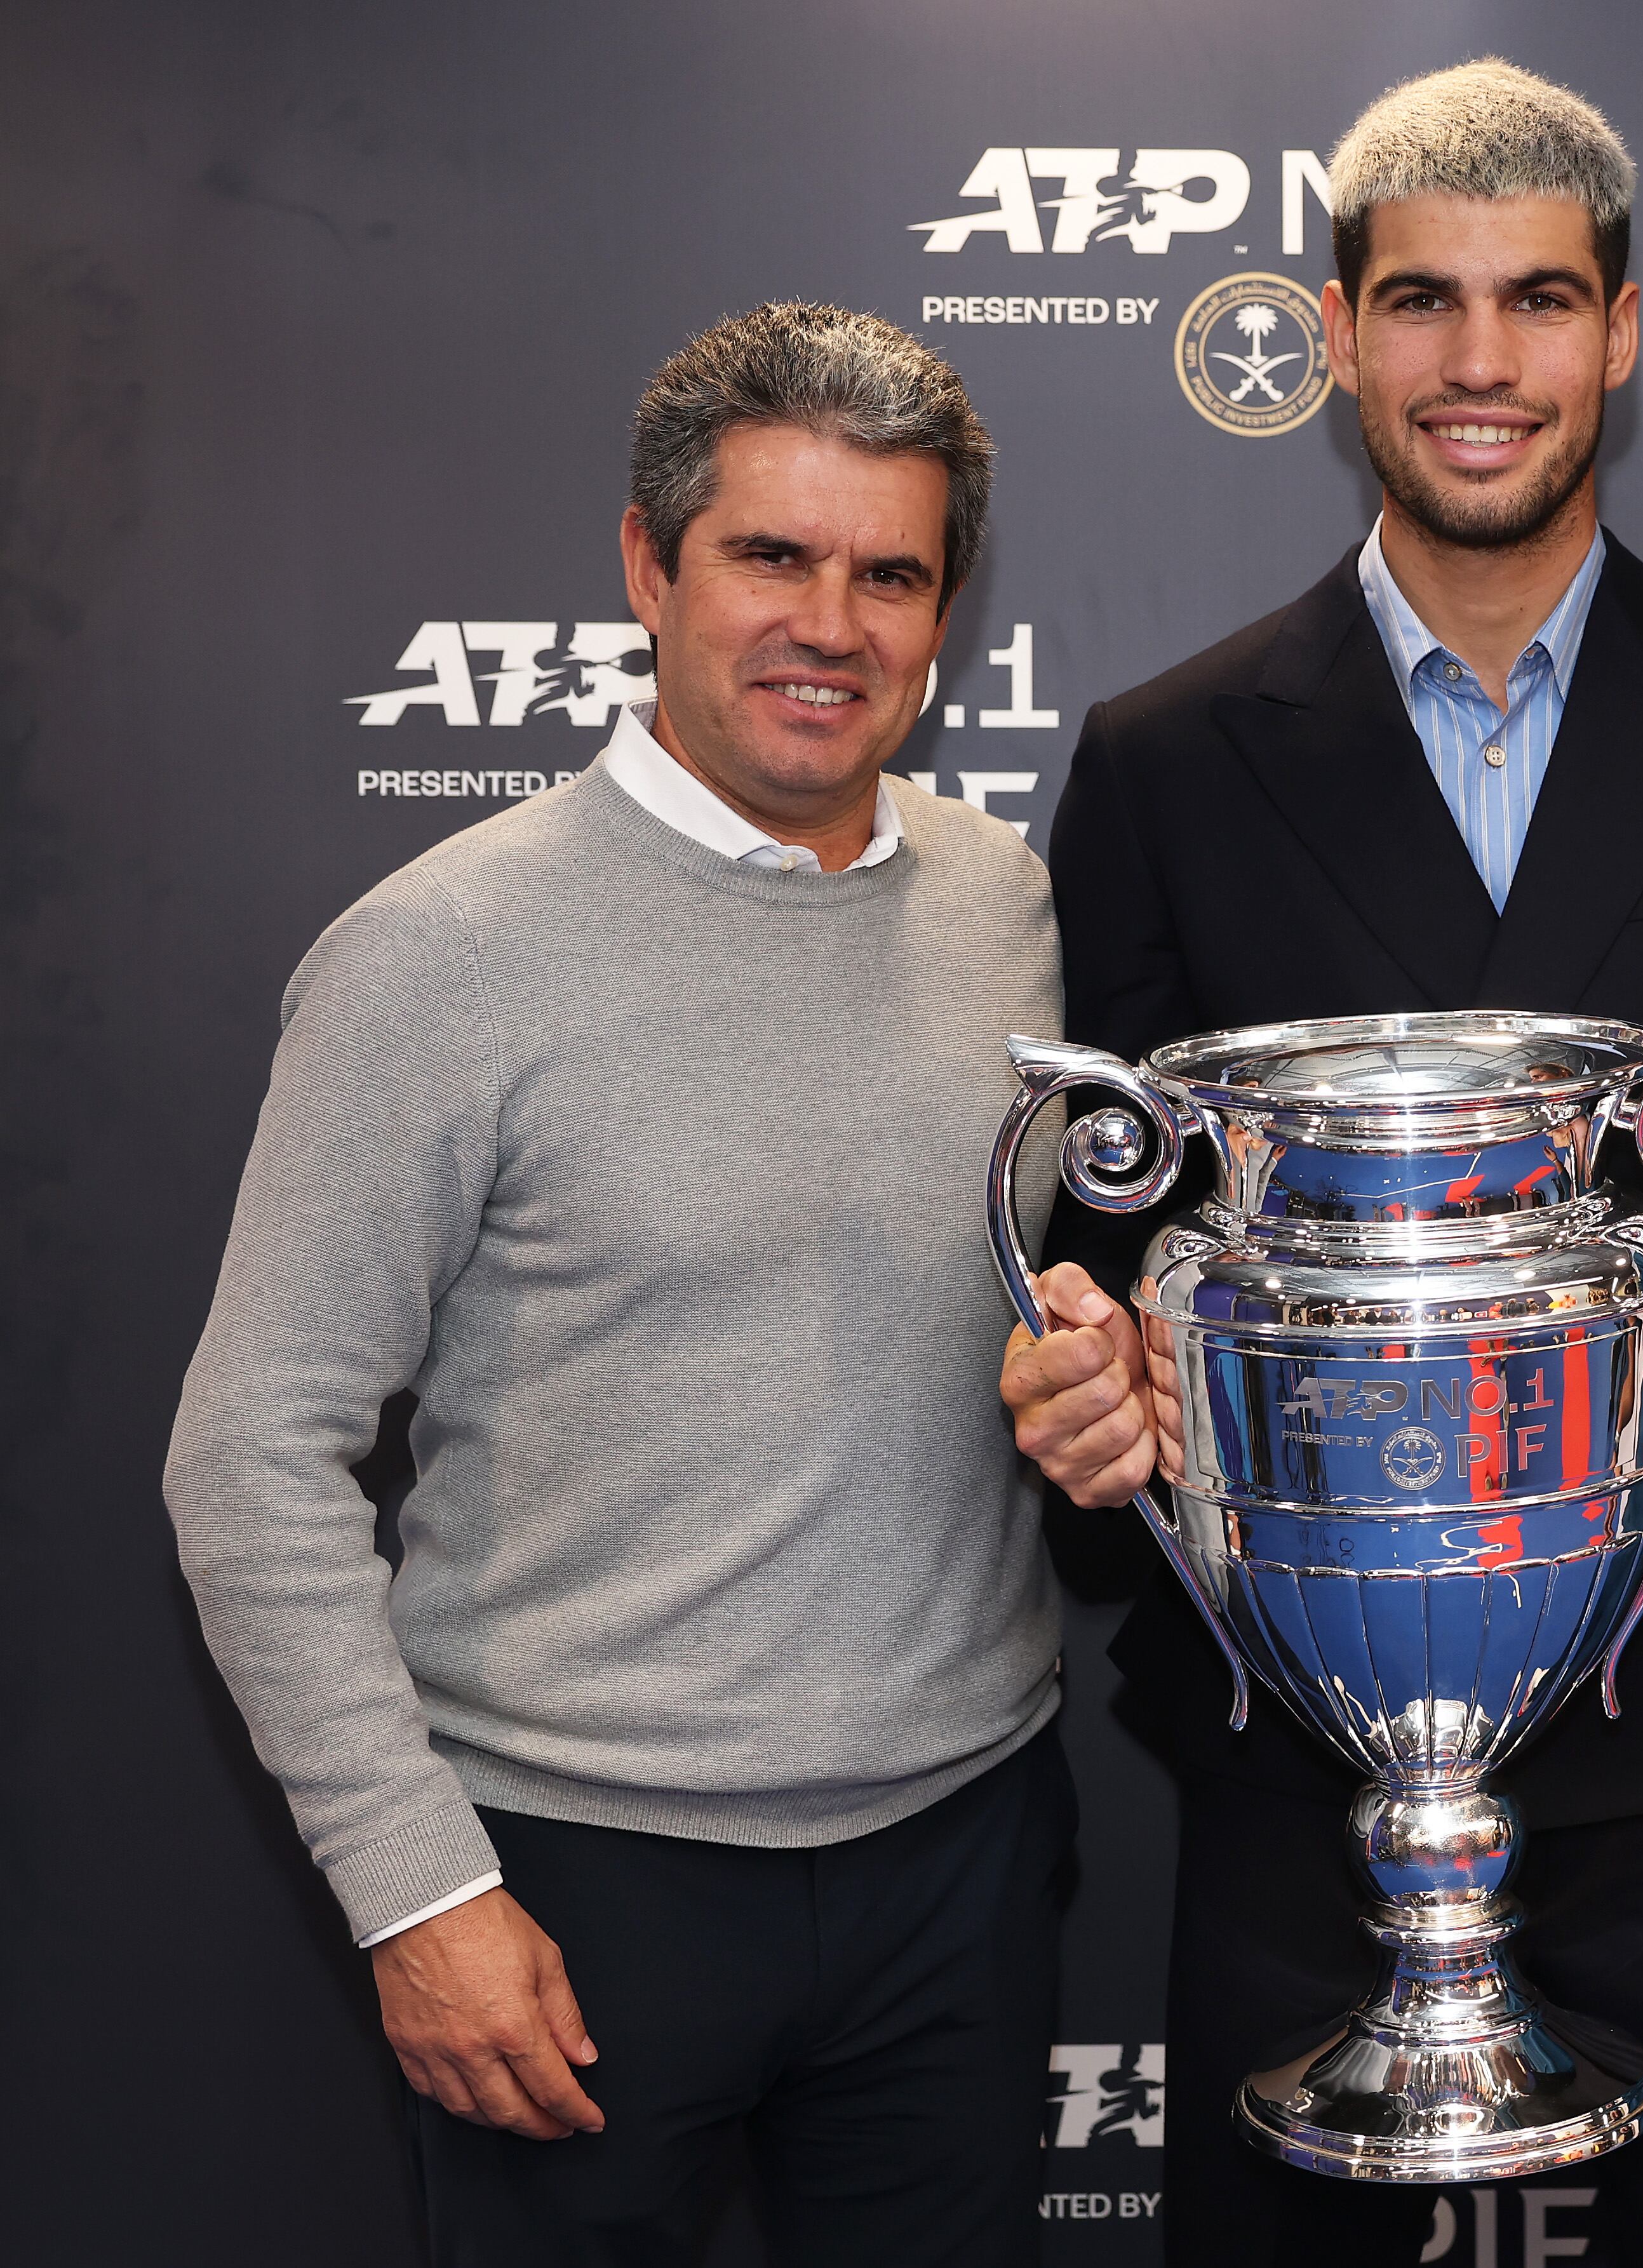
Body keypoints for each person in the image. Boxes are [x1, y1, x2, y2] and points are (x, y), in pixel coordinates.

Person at [999, 58, 1643, 2268]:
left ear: (1620, 330)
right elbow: (1105, 1216)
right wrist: (1073, 1363)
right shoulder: (1161, 758)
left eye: (1538, 300)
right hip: (1301, 1750)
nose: (1481, 361)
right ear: (1335, 338)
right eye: (1421, 302)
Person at [164, 303, 1071, 2267]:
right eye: (772, 556)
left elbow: (1035, 1311)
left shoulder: (1006, 906)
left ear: (944, 616)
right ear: (650, 568)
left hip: (967, 1861)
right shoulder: (439, 955)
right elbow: (249, 1458)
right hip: (575, 1891)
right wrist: (420, 1893)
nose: (831, 621)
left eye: (890, 574)